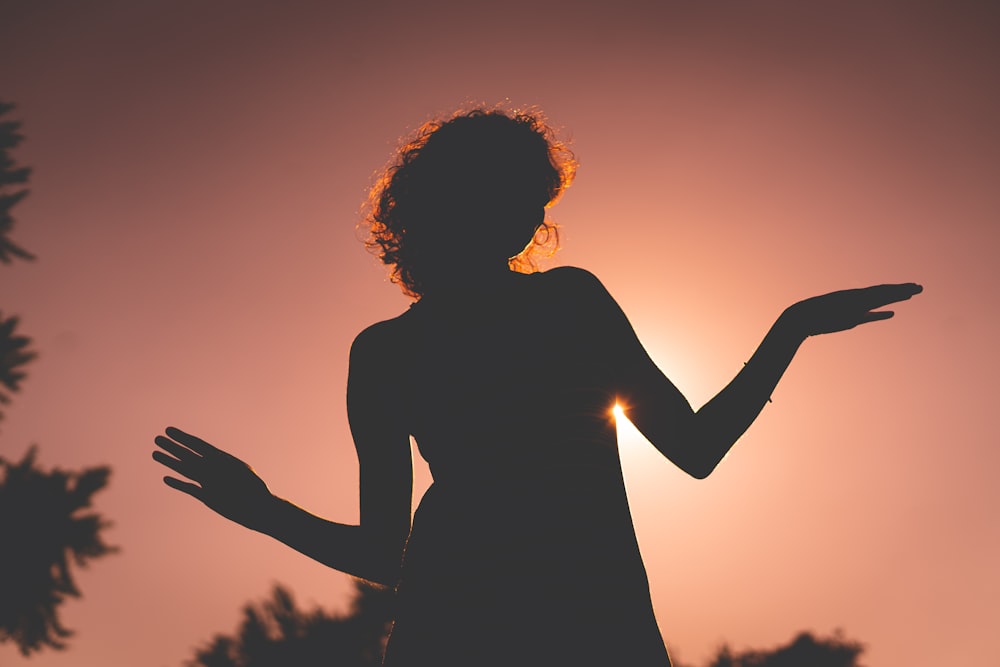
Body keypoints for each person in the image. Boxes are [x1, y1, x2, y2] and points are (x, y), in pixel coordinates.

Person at [152, 107, 921, 666]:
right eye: (516, 196)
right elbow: (391, 554)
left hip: (587, 623)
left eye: (537, 204)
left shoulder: (557, 304)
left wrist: (788, 329)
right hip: (475, 626)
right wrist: (260, 509)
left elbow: (692, 449)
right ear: (451, 204)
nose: (529, 218)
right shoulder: (402, 348)